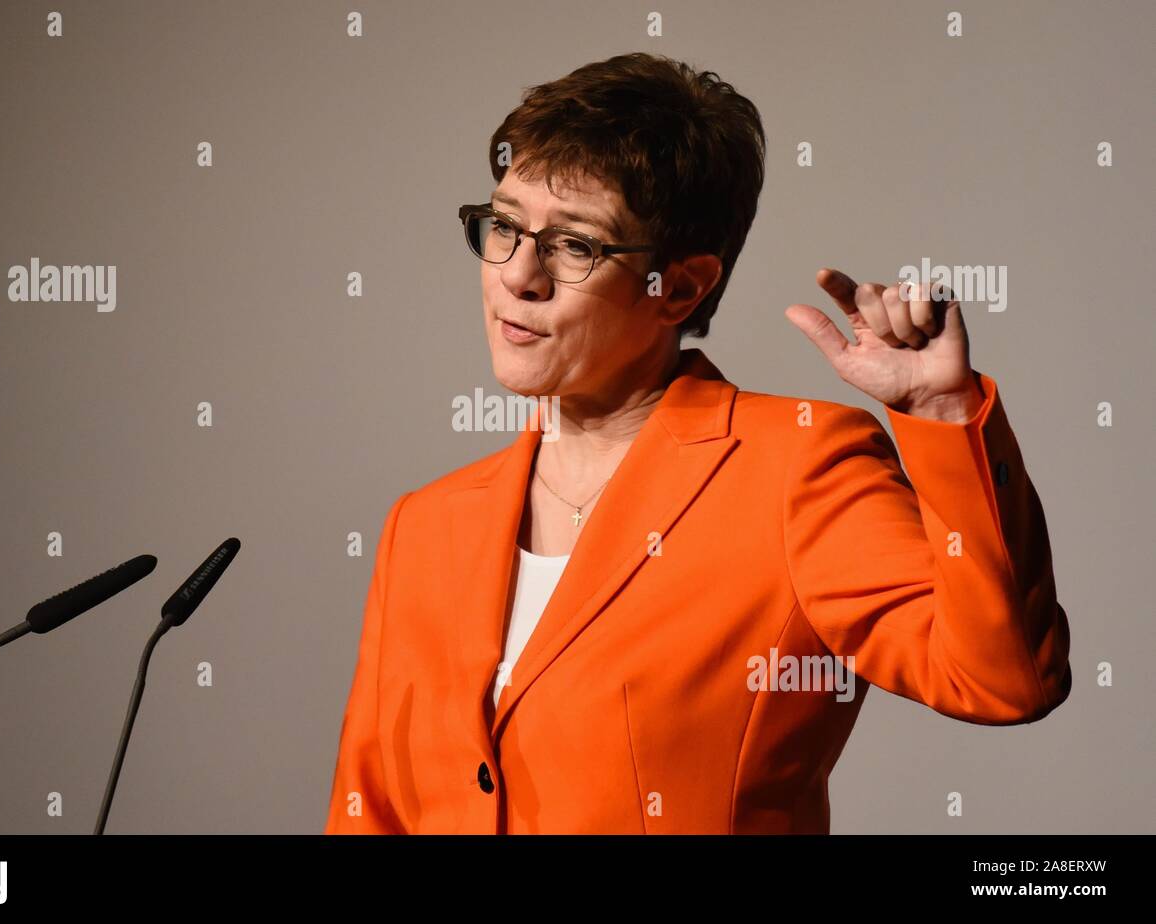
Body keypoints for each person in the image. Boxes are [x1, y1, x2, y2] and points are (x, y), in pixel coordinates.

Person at [324, 52, 1071, 834]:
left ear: (679, 287)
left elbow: (1005, 680)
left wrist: (945, 416)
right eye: (505, 226)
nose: (519, 275)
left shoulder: (798, 470)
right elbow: (366, 809)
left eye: (576, 246)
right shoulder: (424, 526)